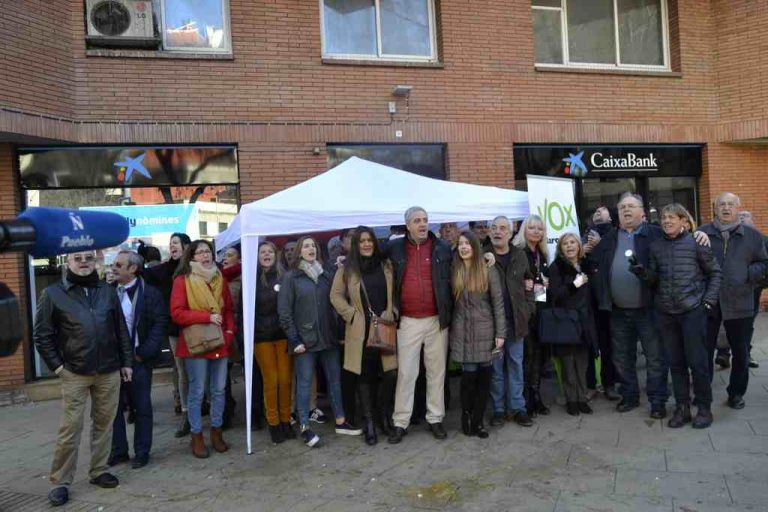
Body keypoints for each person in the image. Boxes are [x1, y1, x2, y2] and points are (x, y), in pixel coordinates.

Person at [33, 250, 133, 507]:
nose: (84, 262)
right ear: (69, 261)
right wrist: (58, 368)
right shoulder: (53, 294)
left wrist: (126, 363)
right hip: (74, 372)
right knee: (70, 429)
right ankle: (60, 482)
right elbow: (42, 336)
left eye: (89, 258)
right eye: (78, 258)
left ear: (96, 261)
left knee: (104, 424)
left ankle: (98, 471)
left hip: (109, 370)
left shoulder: (107, 291)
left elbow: (120, 329)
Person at [631, 203, 722, 428]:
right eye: (663, 218)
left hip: (692, 311)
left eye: (672, 218)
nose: (667, 221)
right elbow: (654, 280)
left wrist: (708, 302)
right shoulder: (656, 246)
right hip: (666, 313)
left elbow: (715, 273)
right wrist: (642, 273)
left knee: (698, 362)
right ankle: (682, 408)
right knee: (676, 363)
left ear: (683, 220)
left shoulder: (696, 243)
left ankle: (703, 407)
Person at [587, 193, 670, 418]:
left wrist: (699, 233)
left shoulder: (656, 234)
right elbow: (592, 264)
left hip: (649, 309)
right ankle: (630, 396)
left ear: (642, 211)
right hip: (618, 311)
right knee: (622, 357)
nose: (625, 210)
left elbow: (679, 241)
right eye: (622, 207)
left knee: (655, 357)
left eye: (631, 206)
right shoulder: (610, 238)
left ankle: (657, 400)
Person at [278, 236, 361, 447]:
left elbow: (337, 301)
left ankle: (341, 421)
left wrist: (339, 333)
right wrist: (294, 339)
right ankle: (305, 426)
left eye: (313, 246)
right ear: (299, 251)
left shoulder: (326, 275)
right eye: (306, 246)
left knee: (335, 381)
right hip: (304, 340)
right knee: (304, 384)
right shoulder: (291, 278)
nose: (310, 249)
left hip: (328, 337)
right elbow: (285, 313)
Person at [386, 207, 453, 443]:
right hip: (407, 320)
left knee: (437, 372)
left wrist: (486, 257)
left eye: (425, 220)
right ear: (407, 225)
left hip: (436, 320)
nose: (422, 224)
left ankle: (435, 418)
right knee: (406, 373)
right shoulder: (394, 248)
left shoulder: (443, 248)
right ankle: (401, 422)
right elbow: (369, 259)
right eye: (417, 221)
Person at [331, 226, 398, 445]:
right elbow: (335, 296)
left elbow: (395, 293)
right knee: (365, 377)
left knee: (390, 374)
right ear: (356, 245)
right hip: (361, 331)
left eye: (370, 240)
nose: (367, 244)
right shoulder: (348, 269)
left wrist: (393, 310)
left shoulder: (386, 265)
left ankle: (383, 414)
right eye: (362, 241)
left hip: (384, 328)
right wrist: (352, 315)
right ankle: (369, 422)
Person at [700, 193, 768, 409]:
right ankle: (702, 391)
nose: (726, 208)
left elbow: (764, 263)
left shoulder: (753, 236)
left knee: (741, 352)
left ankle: (736, 393)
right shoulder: (702, 233)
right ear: (715, 208)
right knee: (703, 349)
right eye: (722, 205)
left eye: (730, 204)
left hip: (740, 301)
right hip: (709, 301)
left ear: (738, 208)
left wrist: (748, 274)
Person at [170, 240, 236, 458]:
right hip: (196, 345)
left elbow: (228, 310)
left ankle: (216, 432)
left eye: (208, 252)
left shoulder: (220, 278)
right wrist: (206, 317)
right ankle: (197, 435)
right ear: (191, 257)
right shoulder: (182, 280)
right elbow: (177, 313)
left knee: (219, 390)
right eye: (200, 253)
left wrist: (228, 333)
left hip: (220, 343)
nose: (205, 256)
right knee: (197, 392)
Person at [108, 250, 167, 469]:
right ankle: (119, 451)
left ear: (133, 268)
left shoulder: (150, 294)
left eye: (119, 265)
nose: (113, 268)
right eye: (114, 264)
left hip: (139, 359)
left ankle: (142, 451)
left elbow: (159, 325)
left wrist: (143, 352)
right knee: (114, 409)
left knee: (142, 407)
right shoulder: (108, 292)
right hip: (113, 362)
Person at [450, 231, 506, 438]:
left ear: (475, 246)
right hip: (462, 331)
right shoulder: (453, 269)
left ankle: (478, 421)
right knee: (467, 379)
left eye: (468, 244)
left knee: (484, 379)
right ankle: (466, 415)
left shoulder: (488, 269)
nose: (464, 247)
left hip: (485, 329)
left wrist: (501, 332)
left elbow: (498, 303)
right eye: (460, 244)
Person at [486, 216, 534, 427]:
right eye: (494, 228)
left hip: (517, 322)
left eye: (503, 228)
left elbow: (530, 283)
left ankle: (517, 408)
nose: (498, 231)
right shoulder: (482, 257)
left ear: (512, 232)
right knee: (496, 369)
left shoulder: (520, 255)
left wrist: (528, 309)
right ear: (489, 231)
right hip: (492, 325)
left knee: (516, 365)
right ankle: (498, 409)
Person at [144, 232, 192, 435]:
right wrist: (141, 258)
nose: (172, 246)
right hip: (175, 328)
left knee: (199, 370)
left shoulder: (195, 268)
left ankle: (205, 408)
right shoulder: (164, 270)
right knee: (182, 370)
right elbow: (144, 275)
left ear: (186, 246)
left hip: (197, 326)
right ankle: (187, 414)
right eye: (170, 243)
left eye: (176, 243)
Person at [548, 234, 598, 416]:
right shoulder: (556, 268)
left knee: (582, 364)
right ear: (560, 248)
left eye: (572, 243)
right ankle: (572, 400)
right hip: (566, 322)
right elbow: (556, 295)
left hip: (585, 321)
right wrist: (574, 285)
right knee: (568, 365)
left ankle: (582, 398)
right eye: (565, 244)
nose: (569, 246)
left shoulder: (586, 265)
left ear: (579, 246)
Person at [253, 241, 294, 444]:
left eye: (270, 251)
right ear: (257, 256)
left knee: (285, 380)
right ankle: (274, 422)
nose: (266, 254)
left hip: (282, 335)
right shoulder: (251, 280)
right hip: (261, 337)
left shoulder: (284, 277)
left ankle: (286, 419)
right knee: (271, 381)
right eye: (263, 252)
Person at [512, 214, 551, 417]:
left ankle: (535, 396)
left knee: (538, 356)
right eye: (532, 228)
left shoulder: (542, 253)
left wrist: (542, 287)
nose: (536, 231)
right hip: (524, 313)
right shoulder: (518, 252)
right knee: (526, 357)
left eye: (539, 228)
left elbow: (538, 286)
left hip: (539, 311)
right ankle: (525, 399)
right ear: (524, 230)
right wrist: (532, 286)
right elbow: (515, 283)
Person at [221, 244, 246, 429]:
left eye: (230, 255)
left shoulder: (245, 277)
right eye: (224, 255)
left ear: (239, 258)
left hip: (242, 330)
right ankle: (226, 412)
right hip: (225, 331)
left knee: (252, 370)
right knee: (223, 375)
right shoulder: (217, 278)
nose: (225, 258)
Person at [739, 210, 767, 368]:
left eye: (745, 217)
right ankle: (724, 353)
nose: (742, 219)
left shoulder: (763, 240)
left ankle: (745, 354)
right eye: (740, 217)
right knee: (726, 322)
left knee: (747, 323)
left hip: (753, 289)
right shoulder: (729, 238)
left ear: (753, 221)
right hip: (731, 290)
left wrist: (759, 282)